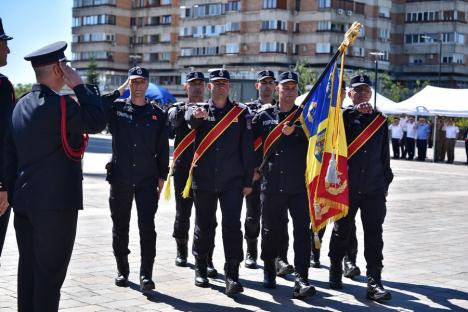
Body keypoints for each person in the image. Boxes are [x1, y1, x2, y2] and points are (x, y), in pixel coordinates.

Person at [4, 41, 106, 311]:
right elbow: (96, 120)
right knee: (49, 279)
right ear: (59, 70)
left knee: (28, 274)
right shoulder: (60, 107)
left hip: (24, 203)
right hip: (55, 207)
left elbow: (9, 152)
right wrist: (80, 86)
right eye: (66, 66)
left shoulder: (21, 104)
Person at [185, 68, 254, 296]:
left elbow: (247, 149)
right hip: (204, 179)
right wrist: (194, 116)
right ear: (210, 87)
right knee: (204, 225)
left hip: (232, 182)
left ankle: (232, 275)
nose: (221, 86)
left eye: (224, 83)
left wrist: (247, 181)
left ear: (229, 86)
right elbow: (188, 120)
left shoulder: (241, 113)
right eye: (217, 83)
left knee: (232, 227)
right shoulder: (200, 111)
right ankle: (201, 267)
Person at [101, 66, 169, 291]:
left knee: (147, 228)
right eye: (134, 81)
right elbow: (98, 107)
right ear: (128, 83)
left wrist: (162, 177)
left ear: (147, 84)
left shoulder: (157, 114)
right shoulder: (116, 108)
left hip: (147, 180)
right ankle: (122, 269)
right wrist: (118, 91)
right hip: (120, 178)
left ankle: (146, 275)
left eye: (142, 81)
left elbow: (162, 149)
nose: (138, 85)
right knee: (120, 227)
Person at [328, 74, 393, 302]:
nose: (363, 94)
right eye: (358, 90)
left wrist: (386, 181)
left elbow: (385, 155)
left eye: (366, 90)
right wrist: (355, 112)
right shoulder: (343, 118)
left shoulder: (380, 120)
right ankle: (335, 267)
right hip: (347, 187)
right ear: (350, 94)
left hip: (374, 187)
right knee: (341, 231)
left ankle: (374, 280)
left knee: (375, 235)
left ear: (371, 93)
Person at [254, 71, 316, 299]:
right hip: (271, 184)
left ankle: (302, 277)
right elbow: (252, 146)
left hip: (299, 185)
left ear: (297, 91)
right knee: (270, 231)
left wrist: (297, 132)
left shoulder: (306, 118)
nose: (289, 91)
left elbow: (318, 141)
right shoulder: (263, 116)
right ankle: (269, 269)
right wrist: (254, 171)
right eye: (285, 87)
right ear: (277, 89)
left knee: (302, 232)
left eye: (293, 87)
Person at [167, 71, 218, 277]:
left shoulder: (213, 110)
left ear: (206, 87)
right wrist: (188, 111)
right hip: (183, 171)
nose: (197, 87)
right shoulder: (177, 109)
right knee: (183, 214)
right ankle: (181, 249)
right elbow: (172, 123)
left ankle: (207, 257)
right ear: (185, 87)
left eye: (200, 83)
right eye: (192, 84)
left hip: (206, 171)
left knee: (207, 219)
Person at [244, 70, 293, 271]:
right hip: (256, 171)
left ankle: (280, 258)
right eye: (263, 82)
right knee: (253, 215)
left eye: (271, 83)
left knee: (279, 218)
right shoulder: (247, 109)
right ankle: (251, 251)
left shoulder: (281, 110)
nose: (267, 86)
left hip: (276, 172)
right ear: (257, 86)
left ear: (275, 87)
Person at [0, 17, 14, 267]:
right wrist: (3, 185)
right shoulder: (2, 86)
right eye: (3, 43)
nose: (8, 49)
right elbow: (5, 138)